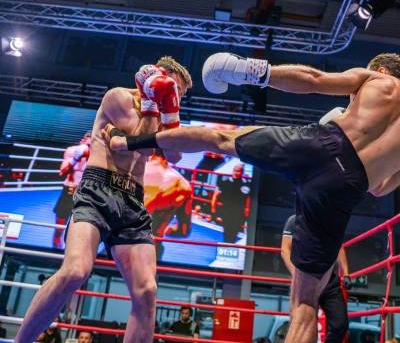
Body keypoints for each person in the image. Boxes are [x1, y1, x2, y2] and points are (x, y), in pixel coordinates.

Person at [102, 52, 400, 343]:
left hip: (323, 145)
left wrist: (252, 71)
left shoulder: (379, 81)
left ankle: (126, 143)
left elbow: (314, 79)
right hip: (347, 188)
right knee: (305, 302)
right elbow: (379, 189)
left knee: (221, 140)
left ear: (383, 70)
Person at [13, 56, 192, 343]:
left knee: (147, 291)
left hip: (133, 201)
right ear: (159, 77)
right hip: (98, 190)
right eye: (174, 89)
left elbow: (175, 154)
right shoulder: (118, 97)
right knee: (75, 271)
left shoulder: (162, 115)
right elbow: (142, 144)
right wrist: (151, 101)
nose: (174, 98)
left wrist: (169, 115)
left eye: (178, 95)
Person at [281, 214, 351, 343]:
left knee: (340, 325)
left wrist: (346, 273)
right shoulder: (294, 221)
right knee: (303, 324)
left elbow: (338, 247)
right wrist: (298, 276)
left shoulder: (329, 221)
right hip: (306, 281)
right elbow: (285, 249)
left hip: (329, 280)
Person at [53, 132, 91, 248]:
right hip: (70, 188)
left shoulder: (99, 155)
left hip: (87, 192)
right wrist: (75, 158)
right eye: (87, 141)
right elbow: (62, 172)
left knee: (81, 225)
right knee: (60, 221)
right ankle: (56, 244)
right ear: (82, 141)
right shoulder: (72, 151)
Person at [210, 163, 251, 242]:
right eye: (235, 171)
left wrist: (247, 212)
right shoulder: (224, 182)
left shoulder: (247, 184)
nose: (237, 173)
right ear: (232, 171)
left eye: (239, 171)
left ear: (242, 172)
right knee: (227, 232)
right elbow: (215, 196)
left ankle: (231, 245)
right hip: (226, 212)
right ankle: (227, 244)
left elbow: (248, 199)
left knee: (235, 233)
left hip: (239, 213)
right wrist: (213, 209)